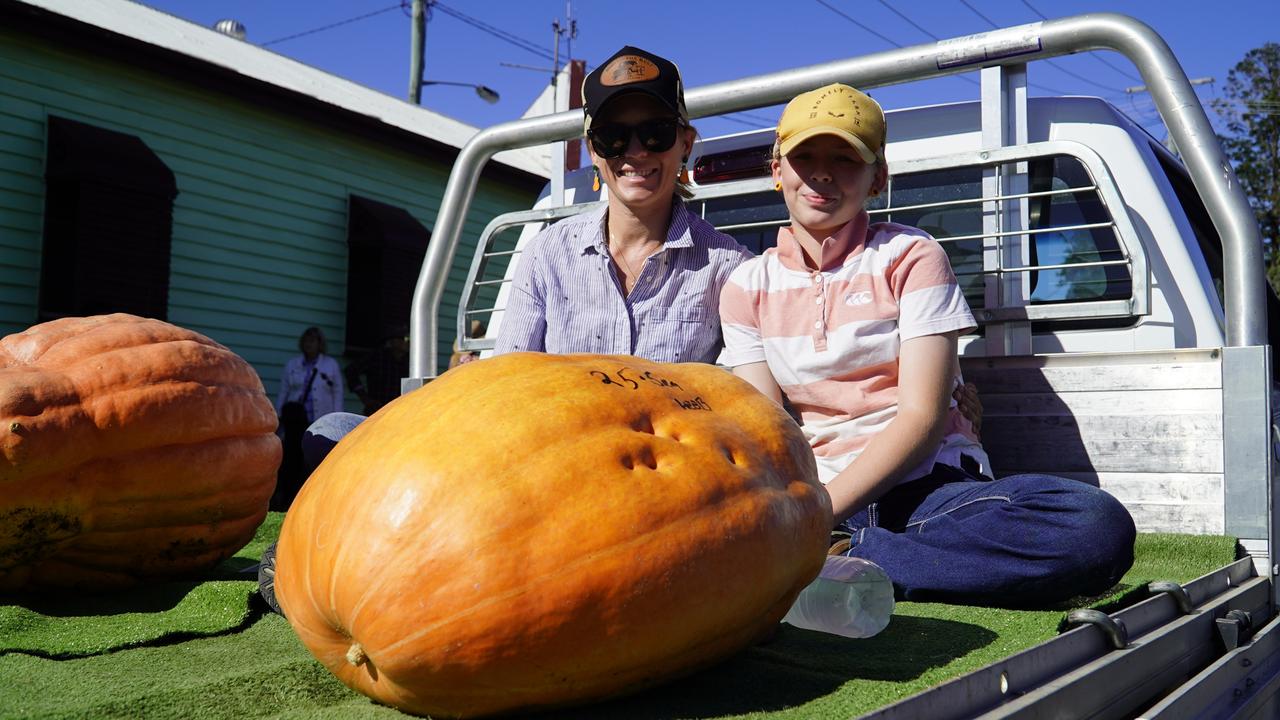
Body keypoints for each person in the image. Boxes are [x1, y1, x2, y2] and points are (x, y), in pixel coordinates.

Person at [717, 83, 1135, 606]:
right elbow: (768, 427)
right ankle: (861, 559)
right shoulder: (745, 287)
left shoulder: (912, 255)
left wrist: (814, 522)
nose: (822, 173)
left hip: (925, 492)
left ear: (878, 178)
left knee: (1093, 526)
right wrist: (797, 509)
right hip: (816, 494)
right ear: (777, 169)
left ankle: (848, 558)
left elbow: (921, 418)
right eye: (805, 156)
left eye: (846, 158)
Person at [493, 45, 754, 363]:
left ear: (685, 144)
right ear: (593, 151)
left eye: (655, 133)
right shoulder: (547, 253)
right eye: (612, 137)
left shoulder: (727, 267)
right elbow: (508, 377)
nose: (636, 151)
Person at [272, 326, 344, 511]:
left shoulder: (330, 365)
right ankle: (290, 500)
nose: (309, 344)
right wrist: (278, 417)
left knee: (316, 458)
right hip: (296, 421)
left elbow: (337, 393)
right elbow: (284, 392)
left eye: (313, 340)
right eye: (306, 340)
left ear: (320, 344)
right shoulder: (293, 365)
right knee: (293, 460)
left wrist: (337, 417)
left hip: (321, 418)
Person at [344, 325, 410, 416]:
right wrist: (365, 398)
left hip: (399, 413)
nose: (409, 342)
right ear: (393, 341)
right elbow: (350, 371)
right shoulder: (377, 357)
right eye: (406, 338)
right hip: (376, 413)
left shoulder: (410, 361)